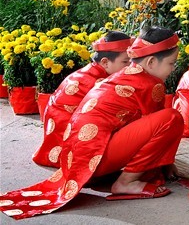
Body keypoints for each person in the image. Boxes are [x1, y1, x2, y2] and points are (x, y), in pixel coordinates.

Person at [0, 26, 184, 220]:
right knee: (171, 117)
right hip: (93, 157)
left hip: (78, 158)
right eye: (171, 63)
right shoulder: (149, 83)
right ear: (152, 62)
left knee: (163, 119)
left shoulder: (126, 74)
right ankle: (126, 182)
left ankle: (113, 176)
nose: (172, 70)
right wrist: (165, 164)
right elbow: (157, 130)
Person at [32, 31, 133, 167]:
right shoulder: (99, 83)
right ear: (105, 62)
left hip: (59, 141)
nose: (130, 67)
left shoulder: (89, 72)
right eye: (125, 62)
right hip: (71, 149)